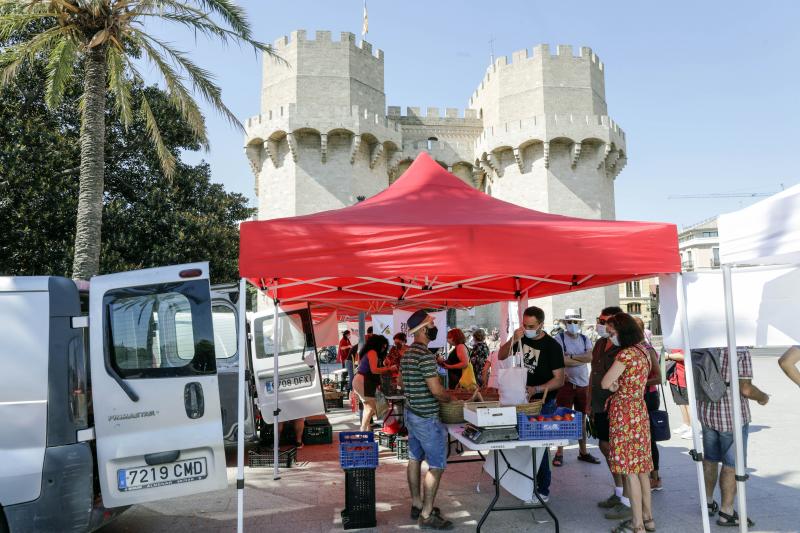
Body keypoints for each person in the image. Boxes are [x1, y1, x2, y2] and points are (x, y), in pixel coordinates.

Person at [497, 306, 565, 502]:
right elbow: (501, 356)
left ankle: (543, 488)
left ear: (542, 324)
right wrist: (513, 339)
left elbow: (559, 380)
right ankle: (523, 480)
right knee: (522, 444)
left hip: (544, 402)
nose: (527, 329)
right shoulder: (521, 338)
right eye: (524, 325)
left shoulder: (552, 346)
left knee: (539, 446)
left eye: (531, 326)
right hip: (521, 400)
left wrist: (536, 389)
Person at [700, 346, 769, 527]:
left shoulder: (703, 344)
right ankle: (727, 512)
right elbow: (745, 388)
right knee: (732, 464)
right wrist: (763, 397)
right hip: (732, 416)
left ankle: (707, 503)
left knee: (710, 458)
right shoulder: (740, 350)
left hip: (707, 411)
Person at [399, 310, 453, 530]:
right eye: (431, 323)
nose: (434, 326)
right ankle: (427, 514)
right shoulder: (424, 355)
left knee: (414, 458)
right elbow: (437, 390)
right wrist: (451, 398)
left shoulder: (408, 354)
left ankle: (417, 504)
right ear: (422, 329)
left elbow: (402, 382)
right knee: (437, 465)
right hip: (427, 418)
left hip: (411, 413)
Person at [601, 313, 655, 533]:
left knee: (629, 470)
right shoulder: (644, 351)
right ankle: (648, 519)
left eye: (611, 332)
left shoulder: (625, 355)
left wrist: (614, 387)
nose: (609, 336)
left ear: (621, 331)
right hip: (639, 410)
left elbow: (606, 383)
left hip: (624, 414)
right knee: (642, 468)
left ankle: (637, 525)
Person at [591, 306, 629, 517]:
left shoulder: (626, 348)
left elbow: (651, 377)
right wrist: (589, 401)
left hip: (617, 406)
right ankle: (619, 490)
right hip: (599, 404)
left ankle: (627, 500)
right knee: (605, 447)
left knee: (618, 452)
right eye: (600, 319)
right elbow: (593, 374)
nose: (602, 324)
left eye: (605, 320)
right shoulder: (599, 344)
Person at [553, 309, 600, 466]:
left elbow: (590, 357)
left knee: (581, 420)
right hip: (565, 384)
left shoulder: (585, 338)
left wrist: (570, 357)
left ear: (580, 323)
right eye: (569, 322)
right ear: (565, 323)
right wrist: (579, 359)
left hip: (582, 384)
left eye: (575, 322)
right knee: (562, 418)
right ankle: (559, 452)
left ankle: (583, 451)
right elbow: (560, 360)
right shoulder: (558, 338)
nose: (572, 325)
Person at [633, 316, 664, 491]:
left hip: (648, 397)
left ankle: (655, 476)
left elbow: (659, 378)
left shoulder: (648, 349)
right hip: (637, 398)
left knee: (649, 438)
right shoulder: (632, 349)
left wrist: (638, 382)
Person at [352, 335, 396, 431]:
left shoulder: (370, 352)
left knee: (367, 407)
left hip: (362, 380)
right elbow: (374, 370)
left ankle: (367, 432)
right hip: (363, 381)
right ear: (378, 344)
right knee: (370, 408)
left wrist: (384, 364)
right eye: (383, 346)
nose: (384, 349)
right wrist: (389, 369)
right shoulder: (372, 352)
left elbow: (374, 367)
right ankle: (363, 430)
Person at [665, 349, 692, 440]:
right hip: (675, 377)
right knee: (681, 402)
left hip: (684, 377)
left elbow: (684, 356)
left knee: (688, 404)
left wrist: (668, 356)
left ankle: (693, 428)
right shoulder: (671, 342)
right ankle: (686, 424)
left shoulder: (683, 340)